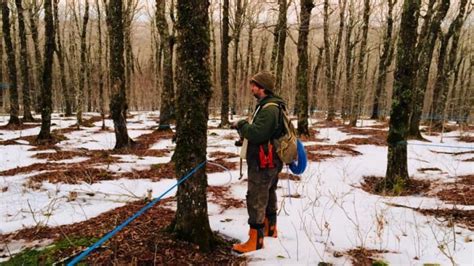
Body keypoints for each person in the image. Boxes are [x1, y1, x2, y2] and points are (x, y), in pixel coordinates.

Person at [231, 71, 286, 253]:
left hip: (264, 162)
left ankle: (255, 240)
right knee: (269, 193)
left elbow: (257, 133)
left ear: (262, 88)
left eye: (254, 85)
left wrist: (242, 125)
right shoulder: (268, 106)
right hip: (269, 160)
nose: (251, 88)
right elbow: (263, 132)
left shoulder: (269, 109)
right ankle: (270, 229)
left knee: (256, 197)